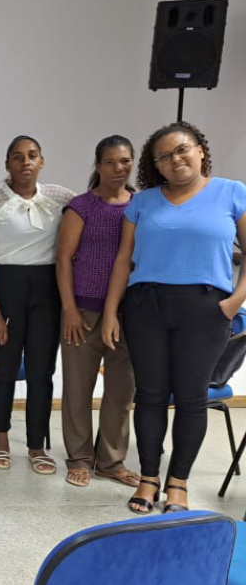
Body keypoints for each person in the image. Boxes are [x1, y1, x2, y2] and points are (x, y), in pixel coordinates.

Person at [103, 121, 246, 514]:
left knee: (190, 399)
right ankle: (149, 478)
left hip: (205, 309)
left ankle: (178, 483)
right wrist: (111, 312)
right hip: (145, 306)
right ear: (156, 167)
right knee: (148, 396)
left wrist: (234, 302)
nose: (175, 159)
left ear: (201, 150)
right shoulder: (143, 202)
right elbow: (122, 260)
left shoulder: (232, 193)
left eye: (182, 149)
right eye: (164, 156)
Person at [0, 136, 75, 474]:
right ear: (7, 165)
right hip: (5, 291)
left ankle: (36, 445)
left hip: (47, 293)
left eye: (32, 156)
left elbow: (95, 213)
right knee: (4, 369)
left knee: (42, 373)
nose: (25, 162)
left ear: (42, 161)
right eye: (17, 157)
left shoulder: (62, 198)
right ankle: (1, 438)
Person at [56, 136, 139, 489]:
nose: (119, 168)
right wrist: (70, 310)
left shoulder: (141, 206)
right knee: (78, 388)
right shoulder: (82, 207)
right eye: (111, 162)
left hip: (127, 314)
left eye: (125, 161)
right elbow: (62, 260)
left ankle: (110, 461)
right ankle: (79, 458)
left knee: (121, 392)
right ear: (98, 165)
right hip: (84, 311)